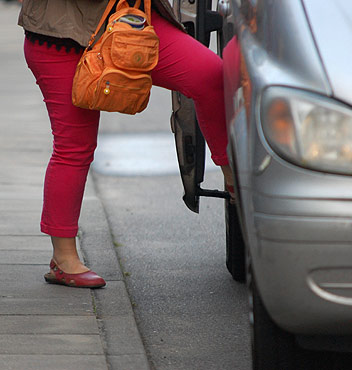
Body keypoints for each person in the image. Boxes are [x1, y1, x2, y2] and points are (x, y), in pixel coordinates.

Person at [18, 0, 234, 288]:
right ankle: (64, 258)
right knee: (74, 147)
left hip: (132, 21)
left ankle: (234, 182)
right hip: (62, 34)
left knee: (209, 74)